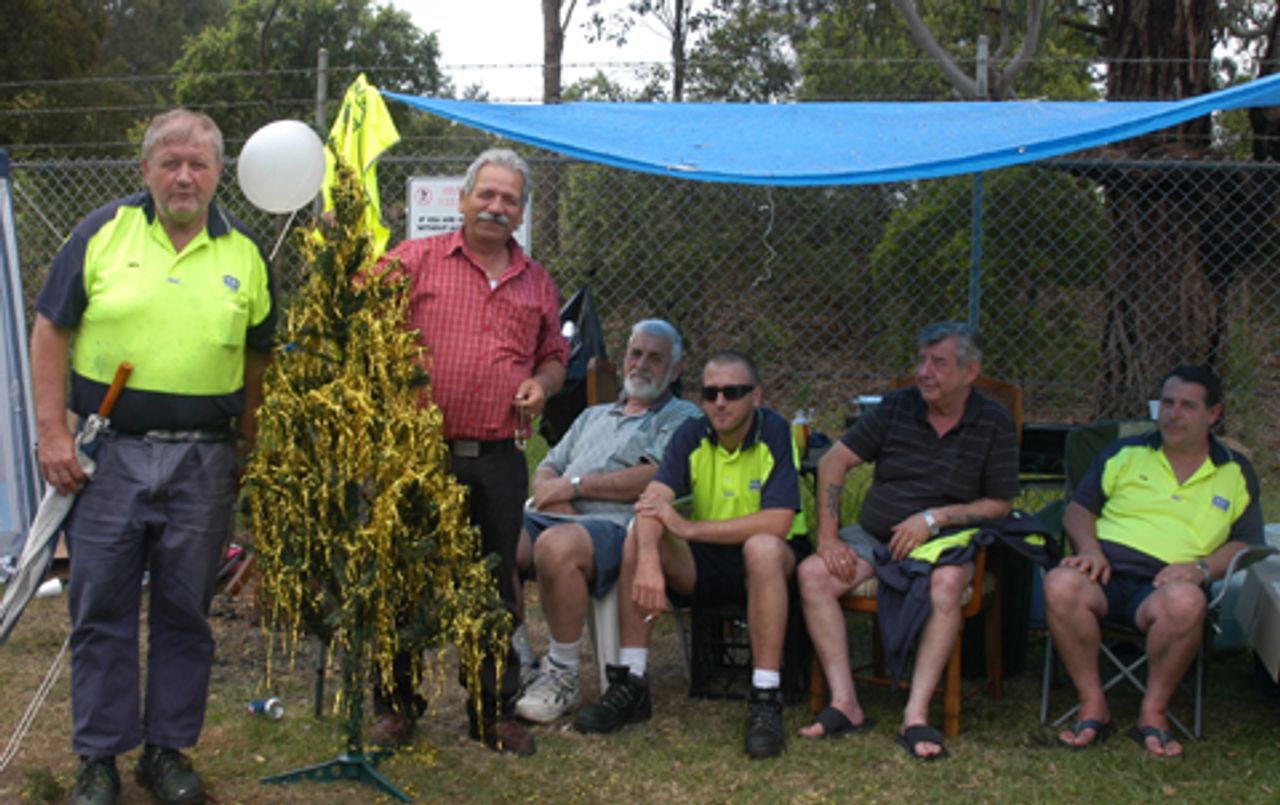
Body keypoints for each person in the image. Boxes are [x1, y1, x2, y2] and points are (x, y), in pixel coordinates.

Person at [31, 109, 275, 805]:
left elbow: (259, 358)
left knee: (184, 611)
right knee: (100, 606)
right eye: (170, 163)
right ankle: (99, 758)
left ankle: (166, 753)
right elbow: (49, 329)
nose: (184, 176)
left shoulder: (246, 255)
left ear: (219, 173)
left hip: (204, 461)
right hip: (108, 457)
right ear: (146, 170)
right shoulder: (100, 233)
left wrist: (249, 444)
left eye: (198, 164)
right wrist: (52, 432)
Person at [369, 148, 568, 756]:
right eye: (487, 194)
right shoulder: (414, 261)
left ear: (521, 212)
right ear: (462, 199)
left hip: (499, 457)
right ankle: (395, 705)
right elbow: (356, 312)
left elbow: (554, 357)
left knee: (493, 585)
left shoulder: (536, 282)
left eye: (509, 199)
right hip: (418, 454)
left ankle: (491, 710)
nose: (496, 207)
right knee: (404, 579)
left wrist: (542, 384)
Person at [796, 322, 1018, 760]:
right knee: (812, 574)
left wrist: (934, 519)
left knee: (948, 584)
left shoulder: (993, 422)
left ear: (970, 371)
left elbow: (1000, 504)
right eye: (921, 361)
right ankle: (846, 703)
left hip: (945, 543)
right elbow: (833, 462)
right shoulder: (897, 407)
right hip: (876, 535)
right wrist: (828, 537)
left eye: (939, 363)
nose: (924, 372)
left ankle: (915, 715)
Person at [572, 350, 808, 759]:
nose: (720, 402)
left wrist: (689, 528)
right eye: (711, 393)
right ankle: (631, 682)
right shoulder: (692, 433)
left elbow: (778, 522)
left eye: (733, 392)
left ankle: (766, 696)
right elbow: (651, 501)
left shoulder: (774, 431)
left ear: (756, 396)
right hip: (708, 559)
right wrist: (649, 560)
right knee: (639, 536)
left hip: (773, 560)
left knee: (762, 548)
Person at [1044, 366, 1264, 758]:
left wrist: (1200, 570)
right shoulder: (1124, 453)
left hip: (1166, 585)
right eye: (1167, 403)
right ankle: (1092, 705)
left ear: (1213, 414)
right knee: (1060, 583)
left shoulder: (1234, 471)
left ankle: (1153, 713)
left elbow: (1246, 543)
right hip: (1103, 573)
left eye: (1187, 406)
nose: (1173, 414)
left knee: (1186, 601)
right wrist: (1089, 549)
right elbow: (1077, 510)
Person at [513, 319, 699, 723]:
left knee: (556, 545)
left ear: (676, 370)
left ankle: (563, 675)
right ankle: (518, 665)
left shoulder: (682, 417)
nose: (642, 364)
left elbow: (654, 476)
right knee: (496, 539)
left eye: (655, 358)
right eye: (636, 354)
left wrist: (574, 488)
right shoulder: (592, 416)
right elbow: (547, 466)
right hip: (557, 514)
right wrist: (550, 492)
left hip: (619, 527)